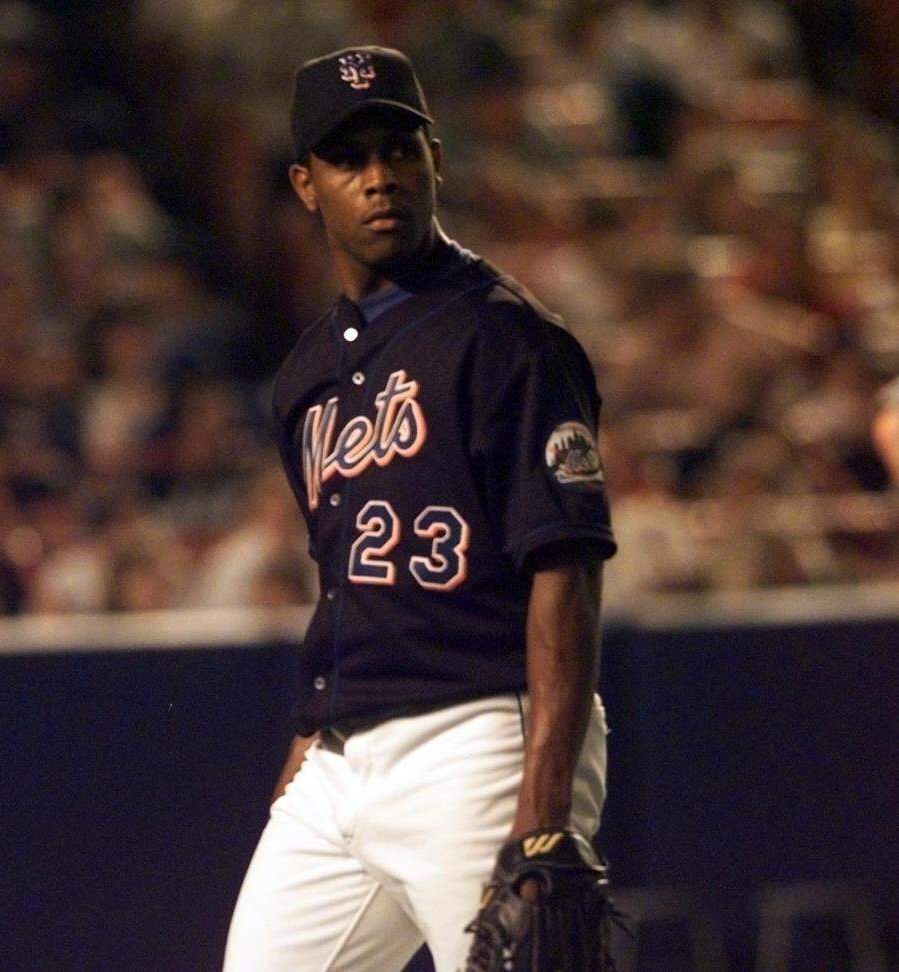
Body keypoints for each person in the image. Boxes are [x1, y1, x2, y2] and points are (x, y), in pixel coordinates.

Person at [224, 47, 618, 972]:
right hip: (343, 758)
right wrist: (313, 733)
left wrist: (546, 813)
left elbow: (566, 569)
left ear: (434, 158)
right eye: (348, 158)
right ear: (306, 184)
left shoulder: (507, 336)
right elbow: (345, 579)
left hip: (476, 735)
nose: (379, 177)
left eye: (399, 149)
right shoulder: (305, 377)